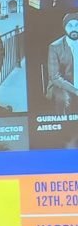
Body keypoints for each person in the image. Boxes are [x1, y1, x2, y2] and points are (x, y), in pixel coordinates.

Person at [46, 12, 78, 147]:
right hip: (62, 85)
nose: (74, 29)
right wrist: (75, 90)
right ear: (64, 27)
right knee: (63, 99)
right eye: (70, 26)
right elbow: (55, 77)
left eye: (77, 25)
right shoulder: (55, 46)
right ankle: (65, 133)